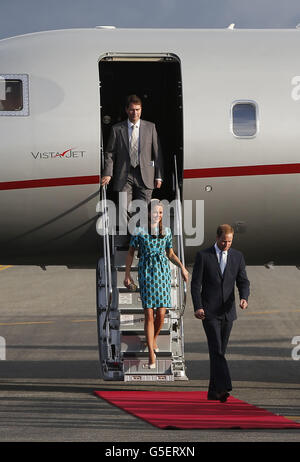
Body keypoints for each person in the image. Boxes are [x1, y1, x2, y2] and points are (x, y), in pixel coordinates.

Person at [124, 200, 189, 368]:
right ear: (148, 213)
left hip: (162, 273)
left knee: (161, 313)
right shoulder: (139, 231)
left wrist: (182, 267)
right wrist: (127, 274)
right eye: (155, 212)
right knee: (149, 314)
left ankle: (152, 339)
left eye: (160, 213)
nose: (157, 215)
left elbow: (170, 253)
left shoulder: (166, 231)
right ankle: (151, 356)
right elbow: (131, 253)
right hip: (146, 273)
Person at [191, 224, 250, 402]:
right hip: (208, 311)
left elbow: (243, 281)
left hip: (228, 311)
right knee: (216, 348)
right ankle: (224, 387)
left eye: (230, 242)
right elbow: (195, 285)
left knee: (220, 351)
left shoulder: (237, 256)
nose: (226, 245)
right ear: (217, 238)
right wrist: (198, 306)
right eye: (224, 241)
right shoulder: (204, 256)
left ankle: (212, 391)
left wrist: (244, 297)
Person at [101, 94, 163, 224]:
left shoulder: (150, 127)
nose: (135, 112)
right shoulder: (117, 129)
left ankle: (140, 238)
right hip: (125, 173)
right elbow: (110, 153)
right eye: (132, 109)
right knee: (124, 208)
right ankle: (135, 236)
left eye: (138, 109)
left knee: (145, 209)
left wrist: (158, 176)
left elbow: (157, 153)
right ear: (126, 110)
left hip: (145, 174)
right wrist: (108, 173)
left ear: (141, 110)